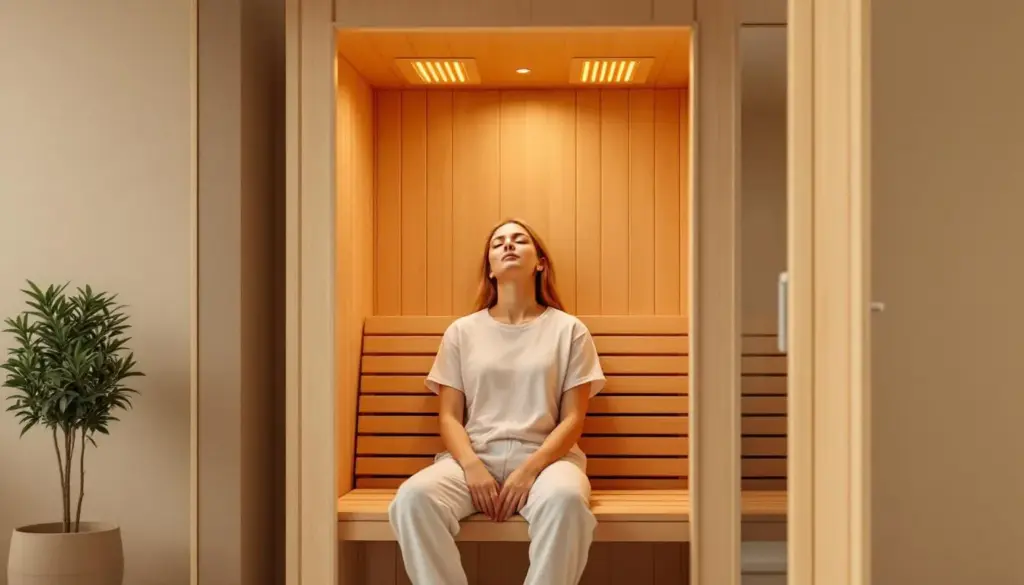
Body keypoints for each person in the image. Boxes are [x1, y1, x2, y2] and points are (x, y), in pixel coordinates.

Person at [388, 218, 607, 585]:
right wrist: (472, 466)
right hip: (474, 459)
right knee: (413, 499)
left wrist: (528, 471)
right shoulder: (462, 332)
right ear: (489, 268)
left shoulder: (569, 331)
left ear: (540, 262)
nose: (508, 246)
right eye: (498, 243)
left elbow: (573, 419)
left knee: (567, 501)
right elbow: (449, 417)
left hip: (547, 462)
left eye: (519, 240)